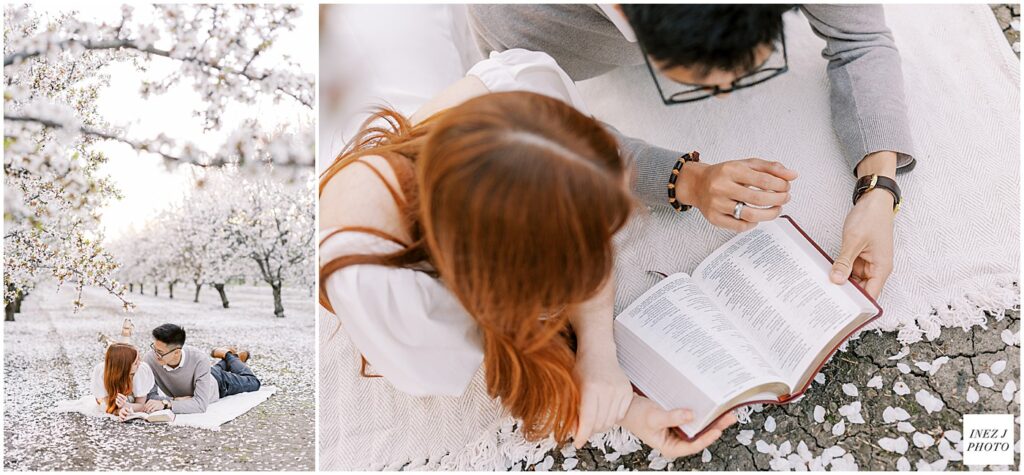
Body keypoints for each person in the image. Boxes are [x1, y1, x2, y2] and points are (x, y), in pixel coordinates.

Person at [320, 50, 734, 458]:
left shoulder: (524, 85)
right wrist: (624, 408)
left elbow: (602, 156)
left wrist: (598, 349)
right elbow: (511, 356)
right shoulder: (395, 301)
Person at [468, 4, 915, 298]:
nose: (723, 97)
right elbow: (529, 120)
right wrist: (684, 179)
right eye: (702, 78)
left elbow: (862, 40)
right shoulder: (519, 21)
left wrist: (879, 188)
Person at [134, 323, 261, 416]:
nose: (154, 354)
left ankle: (229, 355)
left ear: (177, 352)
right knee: (214, 368)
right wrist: (177, 400)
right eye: (154, 348)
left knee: (254, 383)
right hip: (203, 375)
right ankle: (232, 360)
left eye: (160, 352)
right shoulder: (150, 359)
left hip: (218, 383)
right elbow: (150, 398)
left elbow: (200, 405)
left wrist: (168, 403)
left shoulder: (199, 359)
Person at [91, 342, 155, 416]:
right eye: (135, 363)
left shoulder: (141, 371)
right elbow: (105, 405)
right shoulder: (101, 373)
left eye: (139, 359)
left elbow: (141, 406)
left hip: (134, 401)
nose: (139, 363)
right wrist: (119, 411)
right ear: (123, 367)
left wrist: (126, 405)